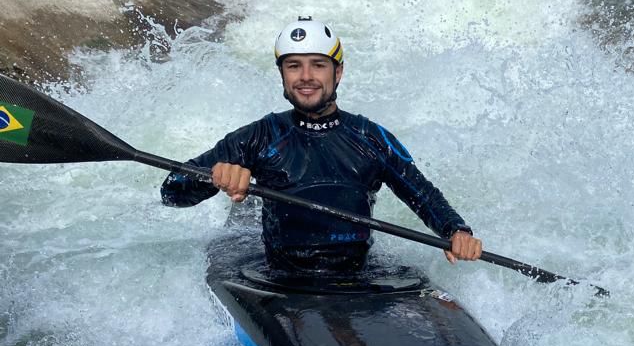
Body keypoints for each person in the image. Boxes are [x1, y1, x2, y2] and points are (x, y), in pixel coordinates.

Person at [161, 17, 483, 273]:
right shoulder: (258, 136)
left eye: (318, 64)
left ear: (338, 72)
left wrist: (455, 230)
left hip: (358, 274)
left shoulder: (371, 138)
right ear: (282, 75)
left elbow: (423, 194)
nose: (306, 77)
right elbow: (171, 191)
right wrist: (213, 177)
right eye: (293, 65)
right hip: (281, 277)